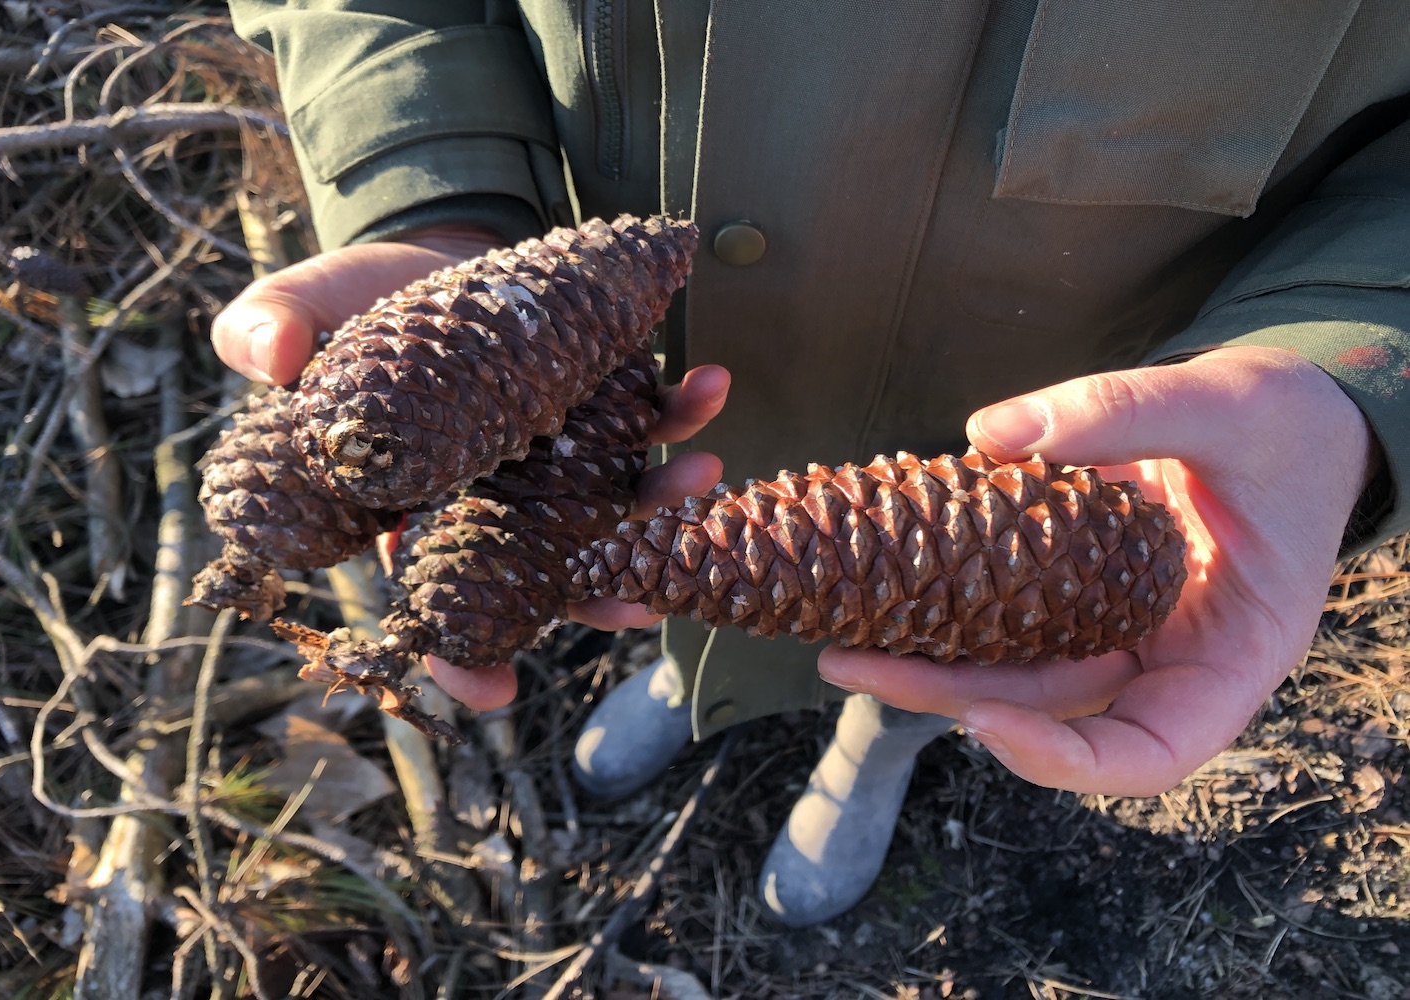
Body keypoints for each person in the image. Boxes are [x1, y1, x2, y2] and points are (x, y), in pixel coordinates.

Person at [215, 1, 1410, 927]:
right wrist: (437, 189)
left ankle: (881, 732)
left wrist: (1343, 358)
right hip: (625, 336)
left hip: (1097, 381)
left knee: (921, 601)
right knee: (711, 563)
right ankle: (695, 675)